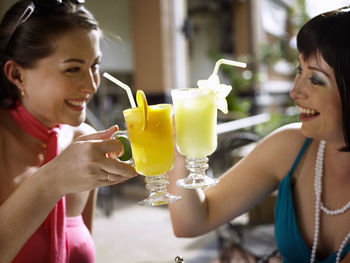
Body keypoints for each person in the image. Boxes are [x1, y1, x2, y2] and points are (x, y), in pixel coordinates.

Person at [168, 6, 350, 263]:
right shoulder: (291, 146)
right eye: (299, 71)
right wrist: (180, 150)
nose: (295, 91)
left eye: (316, 80)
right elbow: (193, 222)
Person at [0, 0, 137, 262]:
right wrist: (51, 181)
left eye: (94, 66)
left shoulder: (83, 140)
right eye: (72, 69)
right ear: (17, 74)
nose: (91, 85)